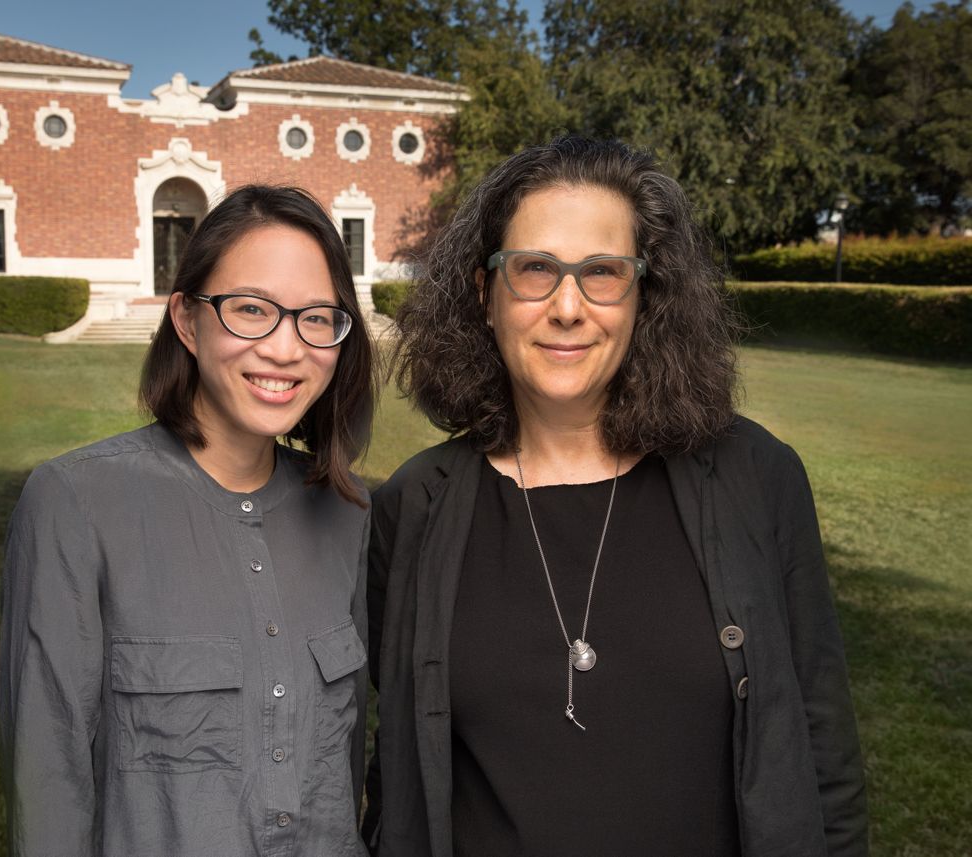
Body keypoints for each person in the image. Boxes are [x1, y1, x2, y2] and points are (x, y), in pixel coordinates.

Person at [362, 136, 867, 857]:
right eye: (535, 269)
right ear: (485, 292)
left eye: (602, 272)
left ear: (644, 294)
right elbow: (399, 768)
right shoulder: (415, 505)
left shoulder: (757, 476)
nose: (568, 307)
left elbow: (824, 757)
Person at [0, 185, 376, 856]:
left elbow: (343, 763)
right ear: (186, 319)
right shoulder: (75, 503)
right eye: (252, 309)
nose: (287, 349)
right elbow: (48, 783)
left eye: (317, 318)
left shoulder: (349, 513)